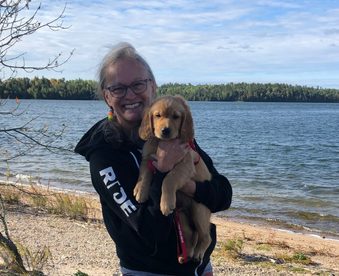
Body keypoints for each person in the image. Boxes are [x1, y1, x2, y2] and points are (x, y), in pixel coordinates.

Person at [74, 42, 232, 276]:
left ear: (152, 87)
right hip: (148, 271)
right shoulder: (104, 155)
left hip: (198, 265)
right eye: (118, 88)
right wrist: (164, 171)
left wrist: (189, 187)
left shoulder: (172, 133)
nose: (130, 95)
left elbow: (223, 195)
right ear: (107, 97)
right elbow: (151, 230)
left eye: (138, 84)